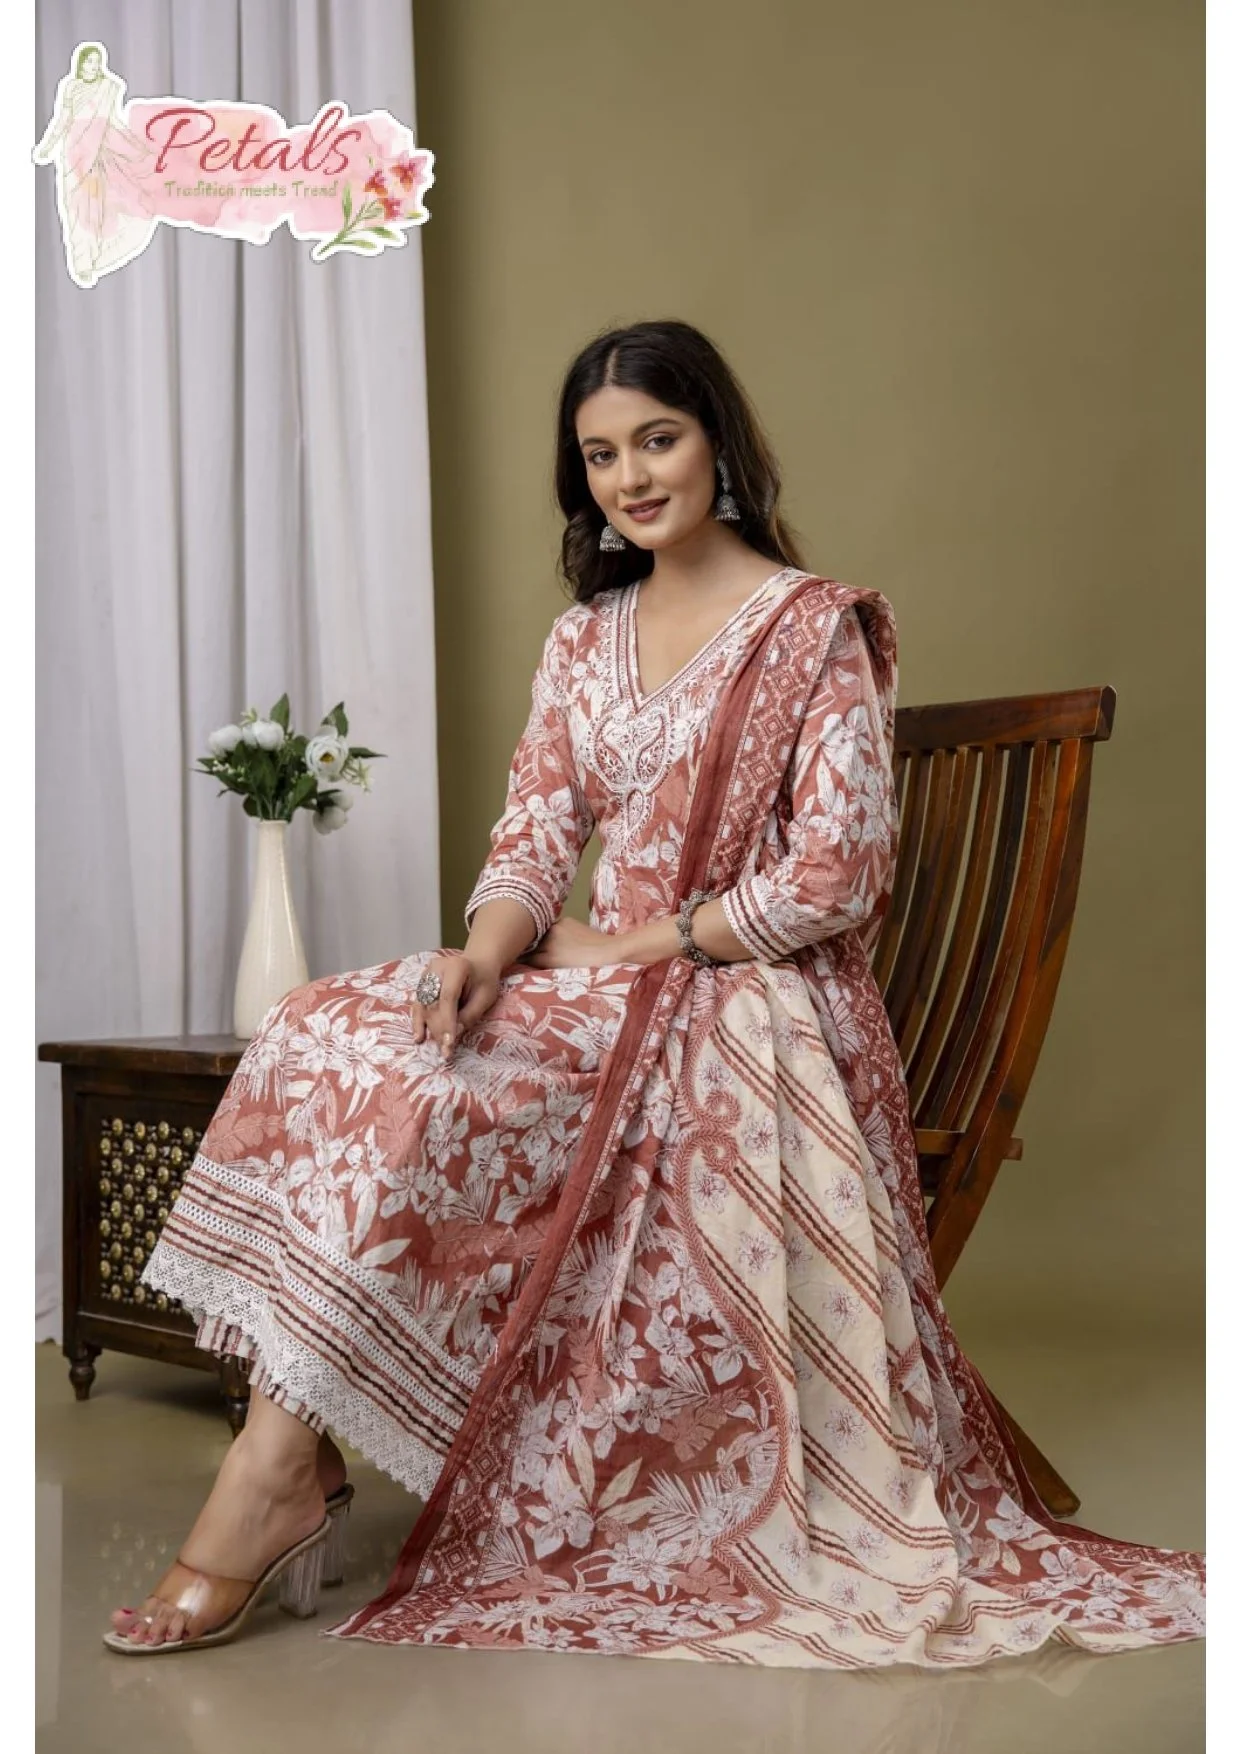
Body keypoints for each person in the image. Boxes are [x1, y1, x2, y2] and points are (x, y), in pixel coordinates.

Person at [106, 319, 1204, 1664]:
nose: (630, 476)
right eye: (599, 454)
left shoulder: (813, 627)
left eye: (656, 439)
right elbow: (533, 832)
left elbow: (837, 873)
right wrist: (486, 954)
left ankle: (272, 1471)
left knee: (415, 1086)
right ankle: (294, 1438)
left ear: (717, 440)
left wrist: (635, 945)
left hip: (746, 1000)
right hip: (583, 983)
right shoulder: (585, 637)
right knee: (333, 1025)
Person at [33, 43, 157, 288]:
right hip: (74, 154)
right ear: (80, 63)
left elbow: (114, 121)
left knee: (101, 205)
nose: (93, 66)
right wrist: (47, 147)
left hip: (99, 150)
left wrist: (137, 145)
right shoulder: (70, 87)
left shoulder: (108, 87)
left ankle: (97, 258)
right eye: (89, 61)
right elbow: (63, 120)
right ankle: (82, 262)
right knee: (76, 208)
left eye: (97, 62)